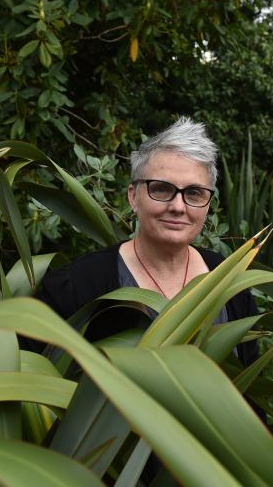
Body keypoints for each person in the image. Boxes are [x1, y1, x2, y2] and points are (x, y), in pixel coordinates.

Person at [37, 116, 259, 367]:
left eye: (194, 193)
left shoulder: (229, 281)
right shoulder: (77, 285)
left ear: (207, 204)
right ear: (133, 197)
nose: (178, 207)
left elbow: (248, 388)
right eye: (162, 189)